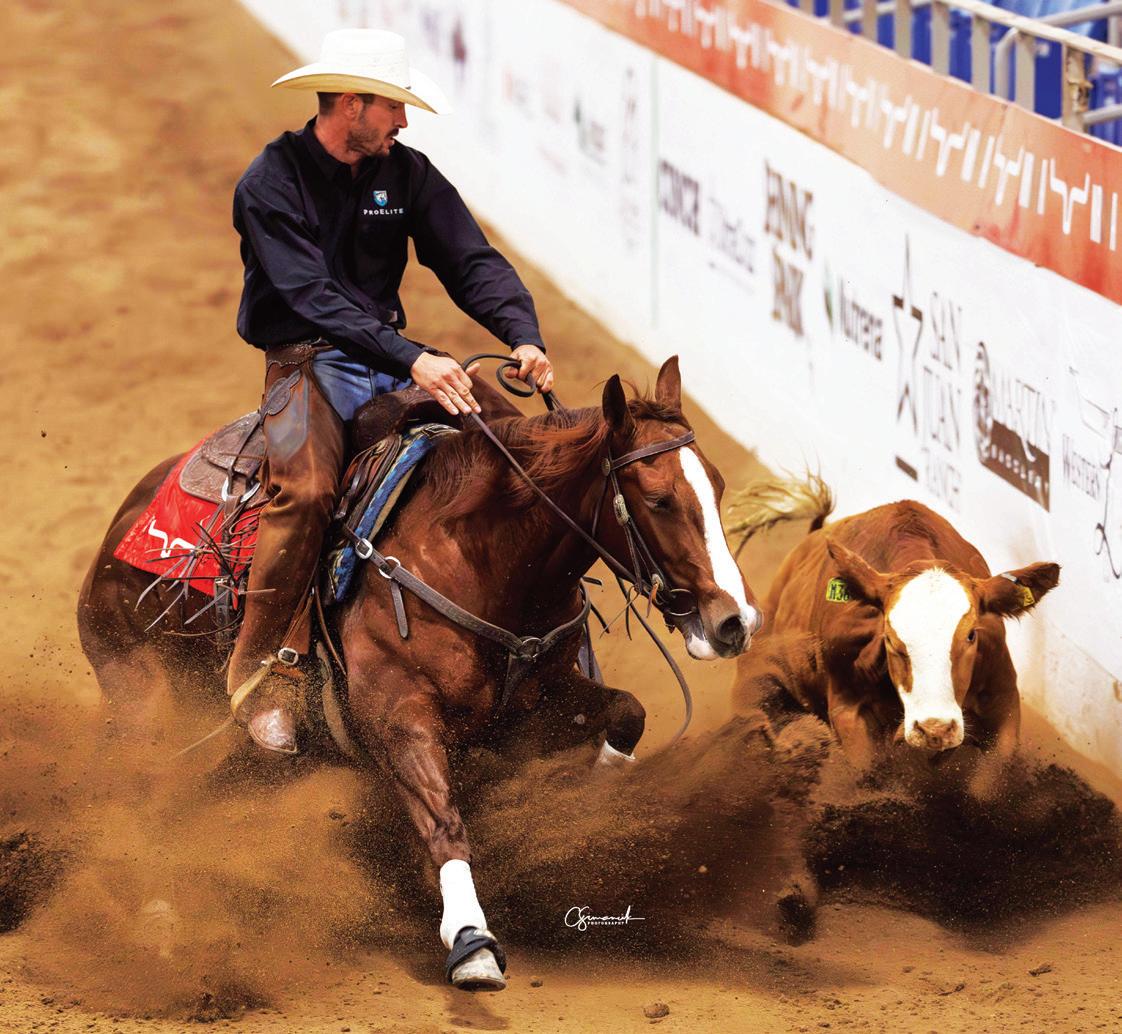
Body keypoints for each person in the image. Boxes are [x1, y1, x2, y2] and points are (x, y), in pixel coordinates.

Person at [227, 29, 554, 753]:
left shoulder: (405, 174)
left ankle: (551, 645)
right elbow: (311, 297)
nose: (403, 121)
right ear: (352, 105)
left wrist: (522, 333)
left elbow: (470, 260)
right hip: (305, 364)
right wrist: (414, 358)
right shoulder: (270, 183)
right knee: (307, 492)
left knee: (513, 452)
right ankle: (262, 675)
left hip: (393, 359)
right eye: (393, 107)